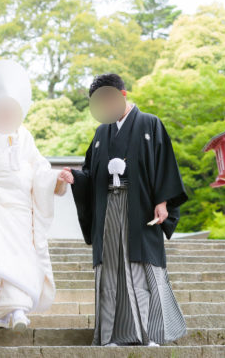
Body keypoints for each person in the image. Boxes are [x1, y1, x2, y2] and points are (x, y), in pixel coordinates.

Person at [64, 73, 189, 347]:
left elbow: (164, 163)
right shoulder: (101, 132)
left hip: (140, 207)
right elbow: (90, 172)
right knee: (109, 271)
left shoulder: (149, 124)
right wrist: (76, 177)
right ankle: (110, 336)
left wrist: (163, 200)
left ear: (122, 95)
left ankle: (150, 335)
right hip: (108, 208)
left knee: (140, 269)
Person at [0, 59, 73, 331]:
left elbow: (39, 168)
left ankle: (18, 308)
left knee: (21, 257)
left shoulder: (25, 136)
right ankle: (1, 311)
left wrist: (56, 178)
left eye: (12, 109)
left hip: (21, 209)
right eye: (2, 108)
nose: (6, 113)